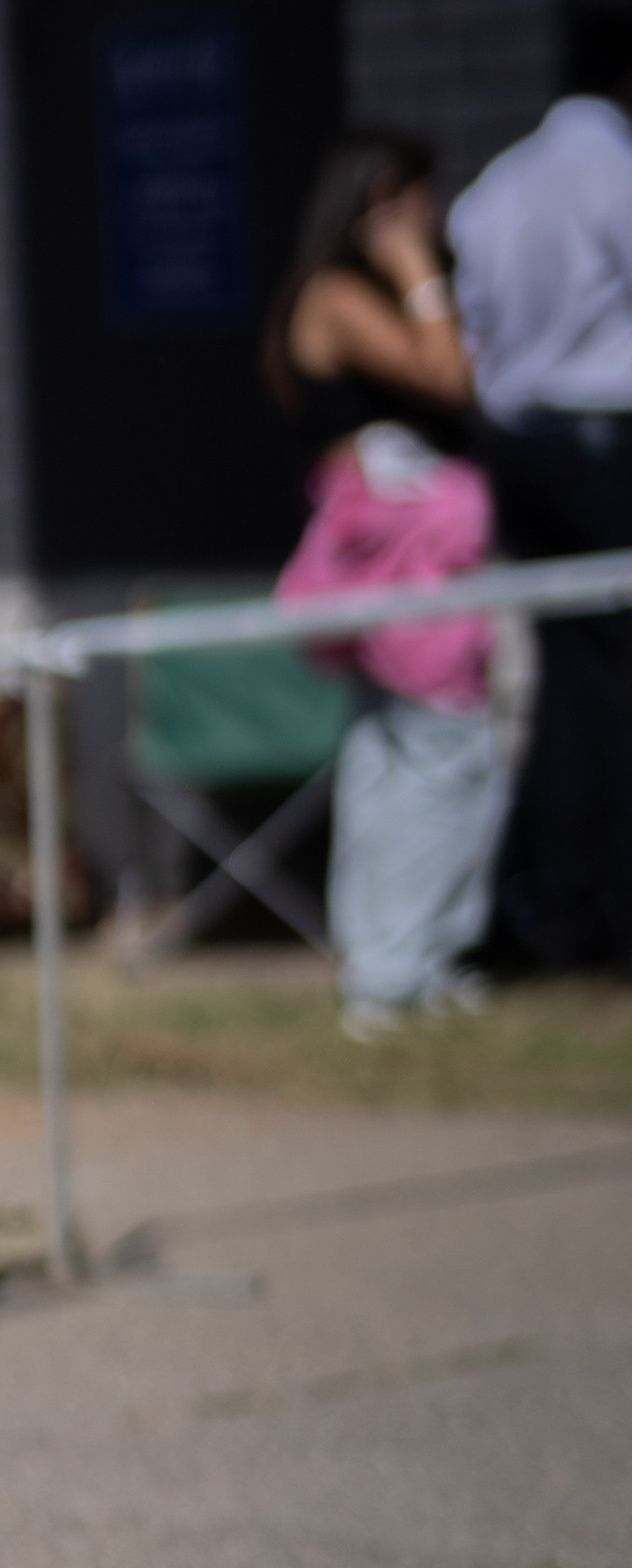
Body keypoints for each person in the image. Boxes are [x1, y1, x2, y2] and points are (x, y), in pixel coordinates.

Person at [267, 127, 505, 1034]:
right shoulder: (335, 294)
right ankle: (392, 970)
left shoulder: (335, 295)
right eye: (415, 202)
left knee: (398, 759)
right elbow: (446, 375)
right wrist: (415, 270)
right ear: (377, 202)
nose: (430, 219)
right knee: (442, 753)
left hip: (407, 552)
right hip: (398, 557)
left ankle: (402, 960)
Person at [448, 46, 632, 974]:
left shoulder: (497, 183)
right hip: (605, 435)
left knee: (569, 684)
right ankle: (601, 906)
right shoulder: (613, 168)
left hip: (518, 442)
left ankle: (561, 903)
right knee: (610, 681)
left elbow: (471, 316)